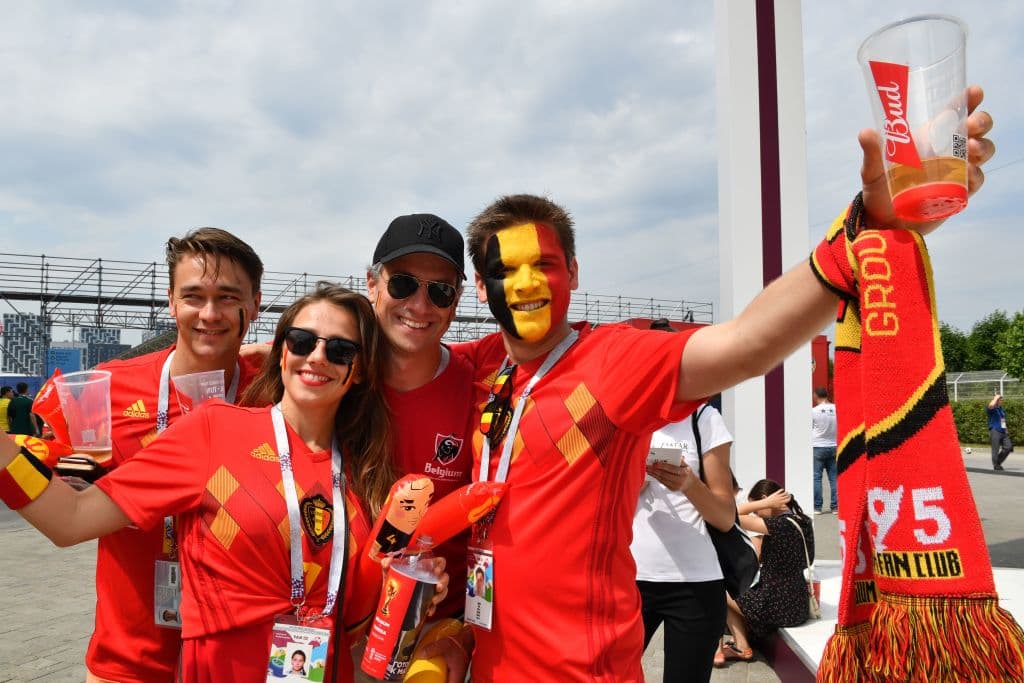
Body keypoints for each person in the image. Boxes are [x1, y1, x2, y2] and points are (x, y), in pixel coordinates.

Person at [429, 88, 993, 682]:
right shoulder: (479, 365)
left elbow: (746, 342)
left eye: (542, 264)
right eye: (503, 271)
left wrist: (864, 229)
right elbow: (396, 355)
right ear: (480, 287)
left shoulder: (612, 359)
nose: (524, 285)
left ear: (573, 270)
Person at [0, 283, 448, 681]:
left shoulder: (364, 470)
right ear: (282, 350)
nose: (316, 357)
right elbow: (71, 518)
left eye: (340, 350)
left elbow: (357, 614)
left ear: (361, 369)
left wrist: (406, 588)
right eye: (301, 340)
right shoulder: (213, 431)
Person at [84, 227, 266, 682]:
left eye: (228, 297)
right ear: (170, 301)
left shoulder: (274, 393)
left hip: (236, 660)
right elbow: (52, 474)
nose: (209, 313)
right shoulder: (108, 387)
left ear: (255, 304)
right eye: (193, 296)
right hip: (126, 662)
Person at [365, 213, 476, 620]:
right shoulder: (330, 374)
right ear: (372, 284)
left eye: (440, 291)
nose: (419, 305)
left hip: (438, 629)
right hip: (334, 625)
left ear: (456, 301)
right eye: (403, 283)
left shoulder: (480, 389)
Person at [630, 321, 737, 683]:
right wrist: (631, 482)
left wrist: (690, 483)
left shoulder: (705, 419)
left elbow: (725, 516)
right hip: (628, 579)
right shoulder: (626, 418)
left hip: (696, 582)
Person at [722, 479, 813, 662]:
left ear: (766, 499)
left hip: (776, 606)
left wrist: (764, 504)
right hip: (799, 604)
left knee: (721, 588)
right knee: (739, 590)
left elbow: (728, 515)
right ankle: (743, 642)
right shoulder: (803, 521)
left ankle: (742, 645)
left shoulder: (779, 525)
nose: (756, 514)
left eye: (757, 511)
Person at [811, 386, 838, 513]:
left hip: (818, 446)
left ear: (816, 396)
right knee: (834, 478)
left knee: (817, 477)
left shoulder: (813, 411)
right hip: (834, 445)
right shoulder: (836, 408)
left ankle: (817, 507)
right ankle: (835, 506)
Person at [987, 392, 1013, 471]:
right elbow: (991, 405)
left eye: (1001, 400)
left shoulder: (1001, 409)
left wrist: (1006, 429)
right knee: (995, 449)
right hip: (995, 430)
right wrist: (995, 398)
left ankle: (997, 461)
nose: (1001, 401)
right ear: (996, 400)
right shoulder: (992, 409)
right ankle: (996, 465)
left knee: (1008, 447)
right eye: (1000, 400)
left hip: (1003, 431)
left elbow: (1002, 420)